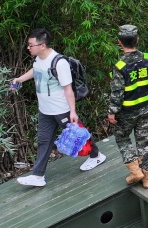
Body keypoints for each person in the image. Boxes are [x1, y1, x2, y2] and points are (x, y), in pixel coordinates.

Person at [11, 28, 102, 187]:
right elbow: (36, 70)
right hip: (45, 110)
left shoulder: (59, 63)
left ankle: (96, 155)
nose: (28, 48)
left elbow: (68, 89)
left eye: (31, 45)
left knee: (78, 135)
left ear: (43, 45)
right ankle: (38, 176)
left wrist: (72, 111)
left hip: (61, 109)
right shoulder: (38, 59)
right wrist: (20, 79)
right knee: (43, 141)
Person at [105, 25, 148, 188]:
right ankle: (147, 177)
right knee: (144, 141)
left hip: (127, 113)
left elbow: (117, 93)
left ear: (120, 42)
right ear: (137, 40)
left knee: (122, 137)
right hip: (145, 108)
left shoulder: (120, 66)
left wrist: (112, 112)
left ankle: (135, 171)